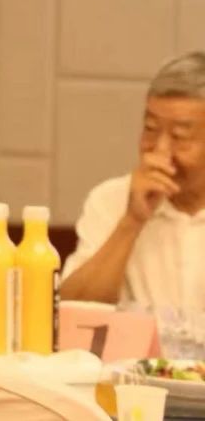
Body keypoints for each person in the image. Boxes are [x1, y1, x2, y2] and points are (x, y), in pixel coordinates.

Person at [60, 51, 205, 309]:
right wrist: (132, 221)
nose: (159, 150)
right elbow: (71, 310)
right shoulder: (110, 200)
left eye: (179, 136)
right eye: (150, 130)